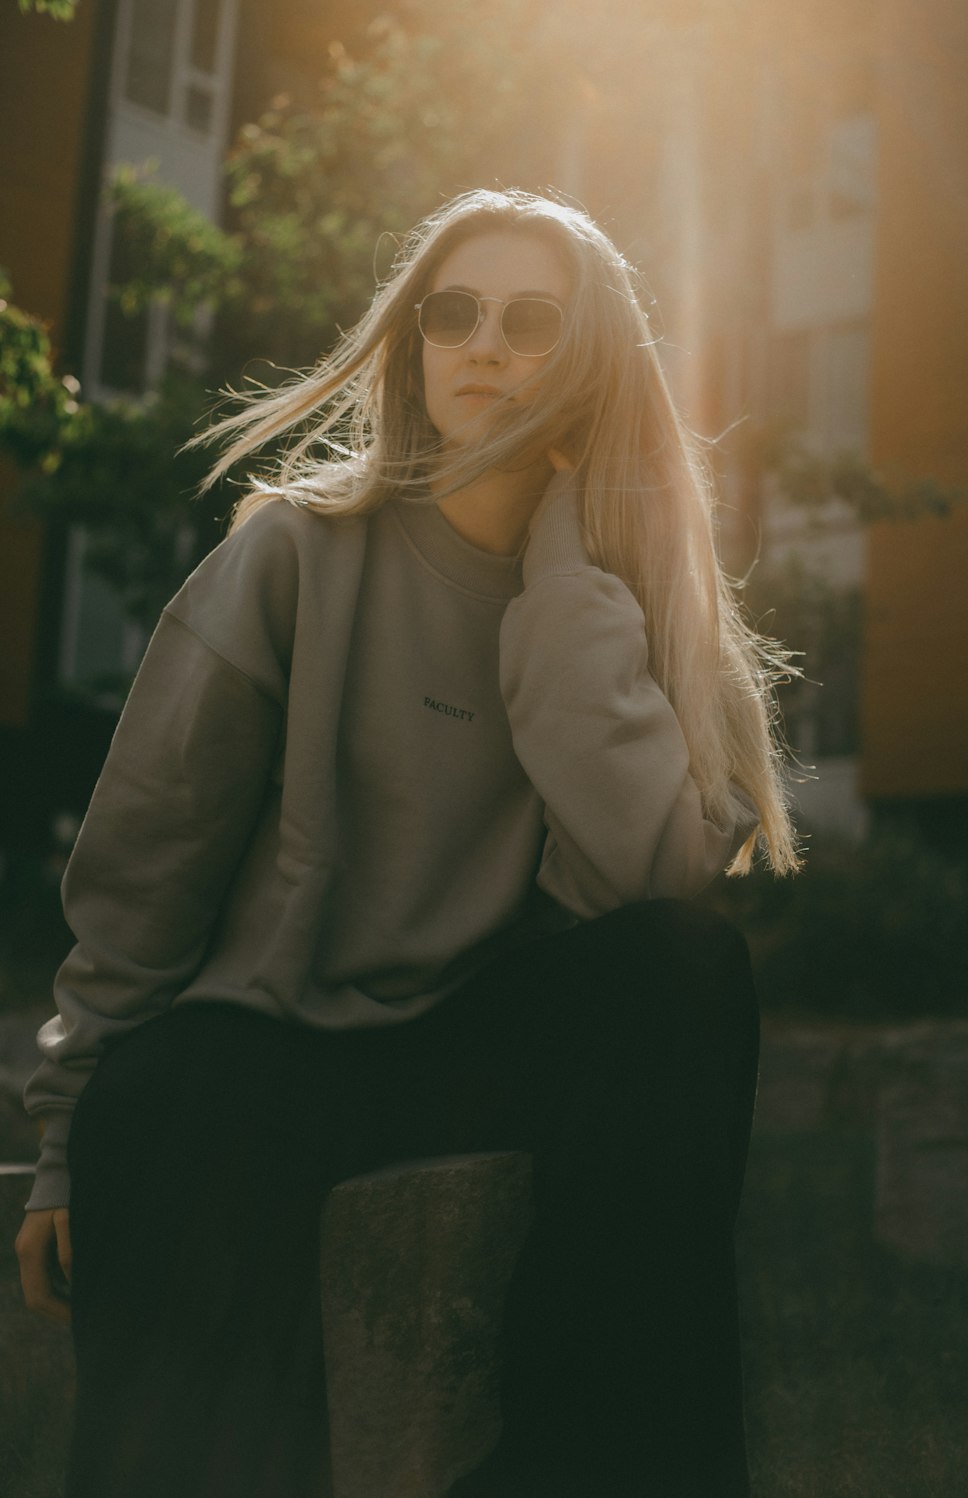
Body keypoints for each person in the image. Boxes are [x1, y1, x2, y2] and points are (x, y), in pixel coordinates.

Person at [16, 187, 798, 1498]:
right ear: (417, 346)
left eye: (529, 320)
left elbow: (646, 894)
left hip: (471, 1038)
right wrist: (59, 1138)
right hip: (278, 1041)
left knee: (688, 969)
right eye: (454, 312)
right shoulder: (294, 559)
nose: (483, 343)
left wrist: (561, 585)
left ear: (590, 360)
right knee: (170, 1094)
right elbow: (144, 866)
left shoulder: (612, 605)